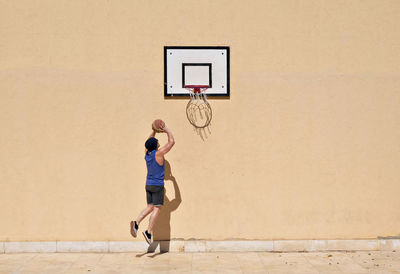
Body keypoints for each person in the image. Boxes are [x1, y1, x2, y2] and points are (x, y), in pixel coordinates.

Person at [130, 124, 175, 244]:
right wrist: (166, 129)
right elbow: (172, 142)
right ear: (155, 145)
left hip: (148, 185)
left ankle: (136, 222)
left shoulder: (147, 154)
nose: (158, 142)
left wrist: (154, 131)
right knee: (157, 208)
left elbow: (147, 142)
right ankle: (148, 232)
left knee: (150, 207)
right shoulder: (159, 154)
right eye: (157, 142)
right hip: (157, 186)